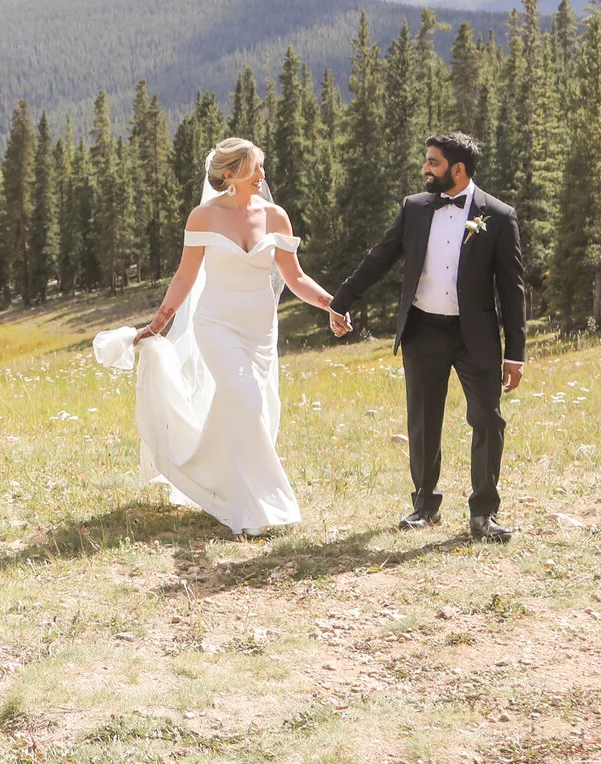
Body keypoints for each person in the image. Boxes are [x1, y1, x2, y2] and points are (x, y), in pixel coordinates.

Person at [92, 136, 344, 537]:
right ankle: (260, 507)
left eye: (262, 167)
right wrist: (158, 323)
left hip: (261, 331)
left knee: (249, 407)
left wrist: (331, 303)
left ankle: (212, 478)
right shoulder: (203, 217)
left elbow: (294, 278)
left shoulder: (276, 216)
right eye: (255, 167)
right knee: (244, 398)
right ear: (230, 174)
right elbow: (185, 276)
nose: (263, 175)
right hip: (216, 325)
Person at [326, 131, 526, 542]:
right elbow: (380, 256)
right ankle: (424, 506)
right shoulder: (414, 209)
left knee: (488, 418)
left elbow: (512, 288)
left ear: (458, 169)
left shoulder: (499, 216)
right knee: (423, 422)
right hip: (423, 330)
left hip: (477, 335)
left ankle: (483, 514)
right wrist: (341, 300)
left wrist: (516, 353)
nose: (425, 169)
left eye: (432, 162)